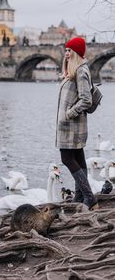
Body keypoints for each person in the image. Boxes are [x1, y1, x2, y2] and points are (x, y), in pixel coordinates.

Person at [55, 37, 98, 210]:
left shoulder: (81, 71)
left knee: (67, 158)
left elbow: (86, 100)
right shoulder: (72, 71)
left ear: (76, 53)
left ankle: (89, 196)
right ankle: (80, 197)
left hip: (72, 125)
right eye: (65, 50)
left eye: (69, 51)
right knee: (78, 159)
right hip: (69, 125)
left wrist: (69, 113)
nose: (66, 54)